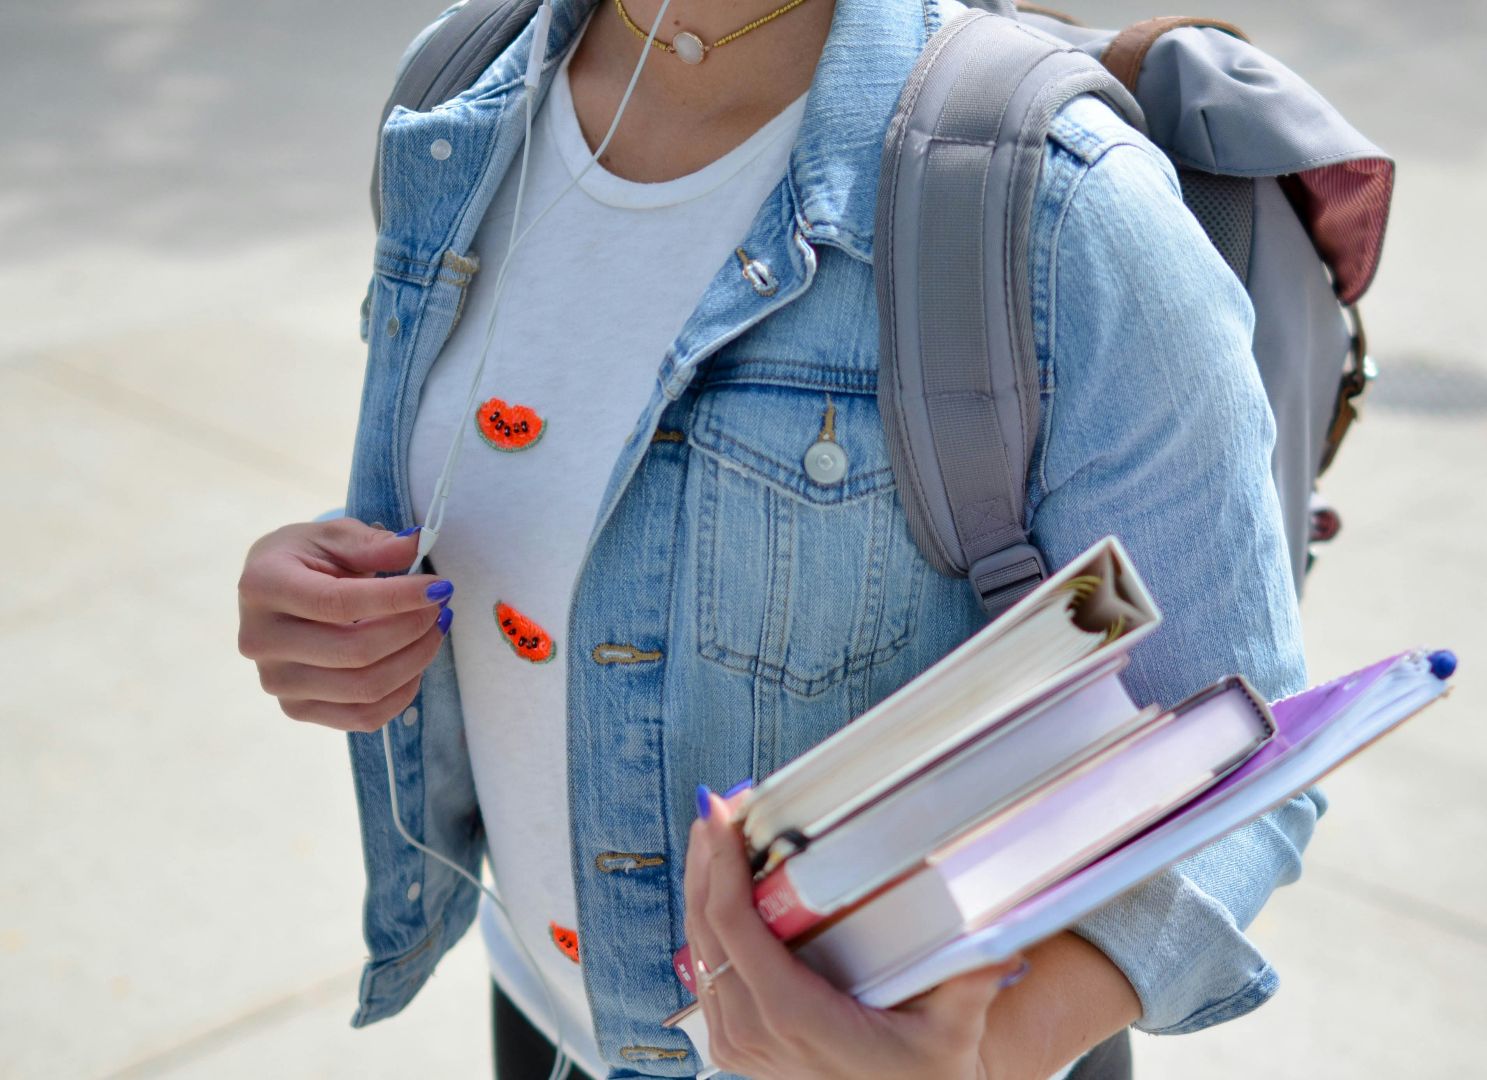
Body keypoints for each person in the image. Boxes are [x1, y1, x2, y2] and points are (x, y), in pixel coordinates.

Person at [234, 0, 1322, 1075]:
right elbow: (478, 512)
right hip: (543, 1013)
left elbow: (1234, 747)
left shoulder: (1061, 204)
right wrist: (327, 607)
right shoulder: (459, 93)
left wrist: (986, 1055)